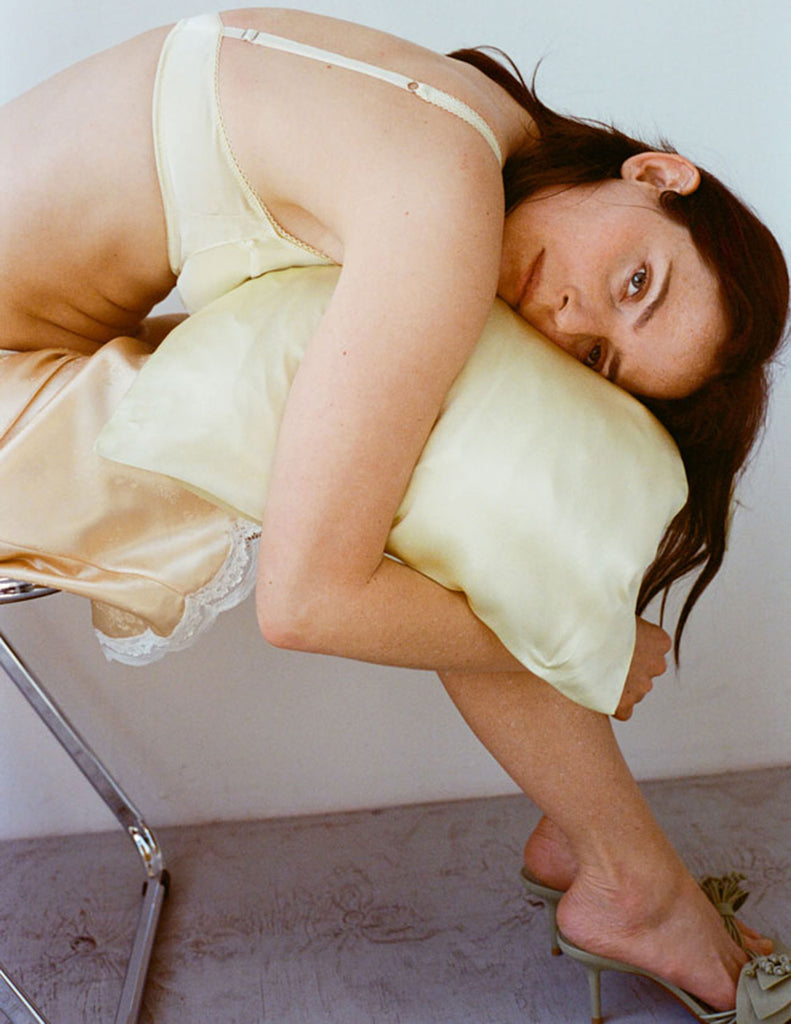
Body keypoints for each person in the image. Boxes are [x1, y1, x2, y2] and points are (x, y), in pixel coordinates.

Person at [1, 8, 788, 1015]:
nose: (568, 317)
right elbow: (307, 602)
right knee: (443, 478)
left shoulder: (485, 124)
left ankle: (604, 850)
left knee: (432, 441)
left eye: (595, 359)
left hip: (37, 352)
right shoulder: (444, 207)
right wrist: (583, 646)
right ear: (656, 174)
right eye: (633, 279)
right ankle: (622, 875)